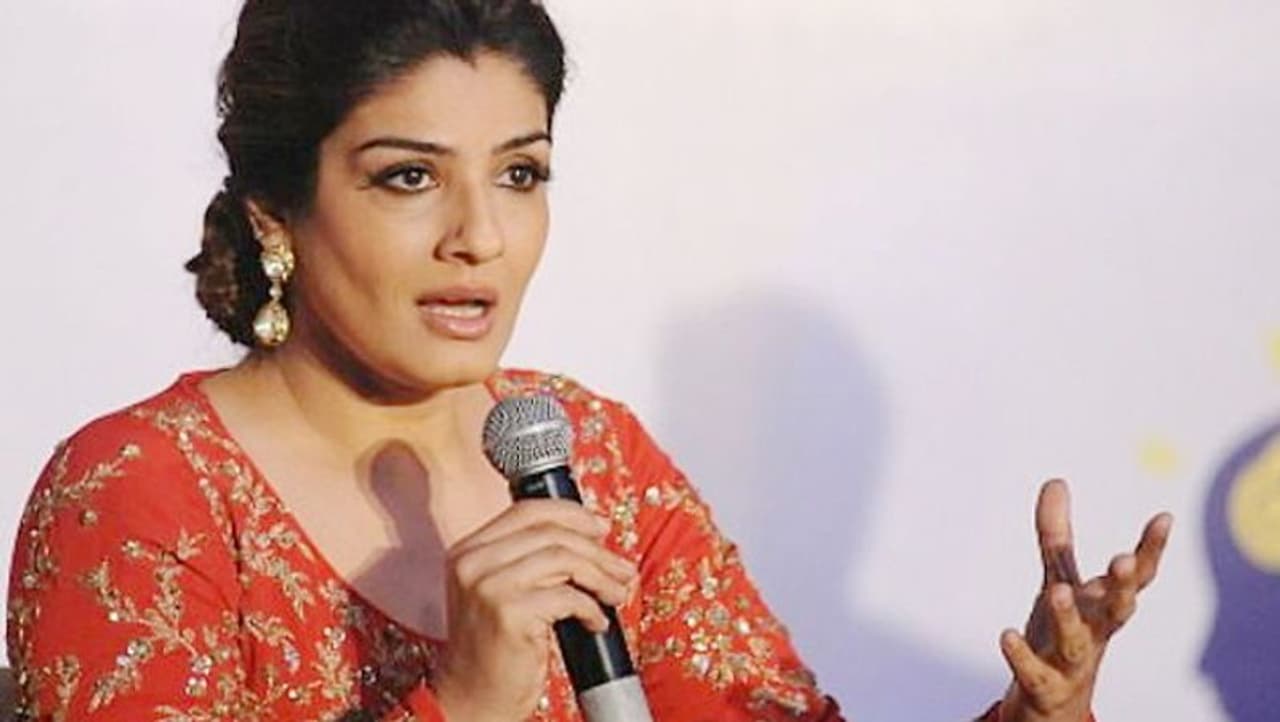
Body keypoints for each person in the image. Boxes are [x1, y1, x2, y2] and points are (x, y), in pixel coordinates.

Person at [4, 2, 1172, 721]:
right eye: (409, 176)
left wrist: (1035, 714)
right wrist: (467, 700)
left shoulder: (589, 453)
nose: (480, 235)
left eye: (519, 173)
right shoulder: (138, 493)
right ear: (275, 208)